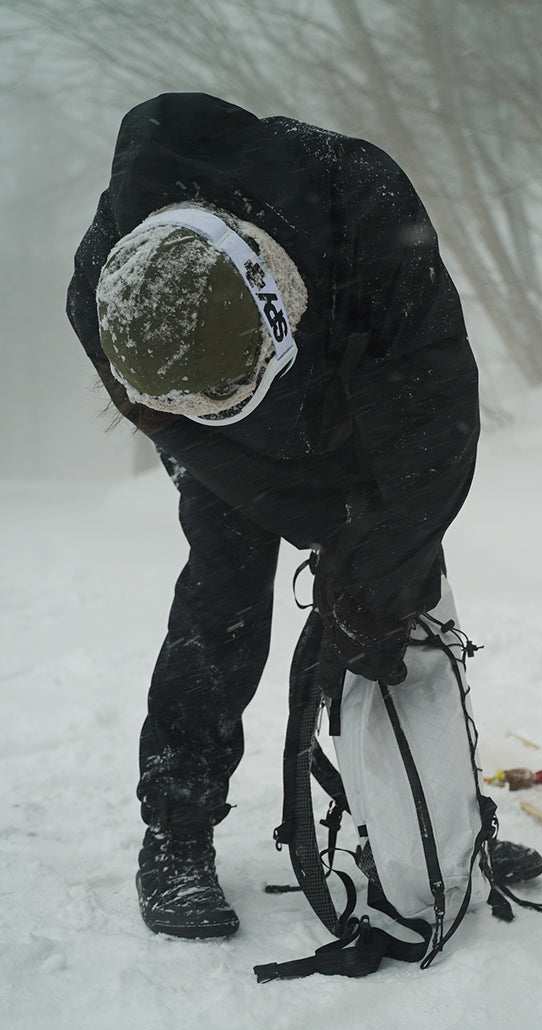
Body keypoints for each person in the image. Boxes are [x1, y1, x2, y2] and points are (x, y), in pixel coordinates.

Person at [66, 92, 480, 940]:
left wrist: (377, 557)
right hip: (208, 434)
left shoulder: (359, 198)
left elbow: (436, 409)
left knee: (400, 592)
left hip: (362, 401)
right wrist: (310, 521)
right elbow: (174, 423)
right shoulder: (104, 287)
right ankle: (176, 828)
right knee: (222, 587)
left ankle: (429, 822)